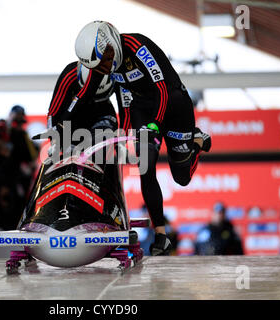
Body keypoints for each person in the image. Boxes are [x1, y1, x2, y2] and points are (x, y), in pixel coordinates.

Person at [74, 21, 212, 255]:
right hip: (143, 109)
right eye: (100, 66)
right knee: (145, 167)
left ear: (112, 45)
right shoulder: (103, 69)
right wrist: (69, 123)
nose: (107, 68)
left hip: (173, 103)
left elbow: (162, 89)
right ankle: (161, 236)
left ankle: (196, 142)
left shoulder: (138, 46)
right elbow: (101, 97)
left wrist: (156, 124)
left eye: (107, 60)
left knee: (182, 177)